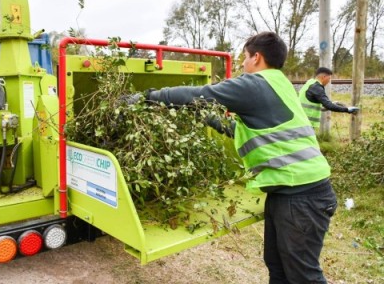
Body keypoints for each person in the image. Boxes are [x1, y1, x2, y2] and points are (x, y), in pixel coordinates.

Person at [135, 32, 337, 283]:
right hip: (289, 194)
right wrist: (209, 118)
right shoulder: (279, 83)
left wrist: (148, 97)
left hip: (301, 197)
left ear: (256, 57)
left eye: (244, 57)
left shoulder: (255, 84)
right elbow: (249, 131)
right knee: (278, 267)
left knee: (303, 275)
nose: (242, 63)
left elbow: (199, 93)